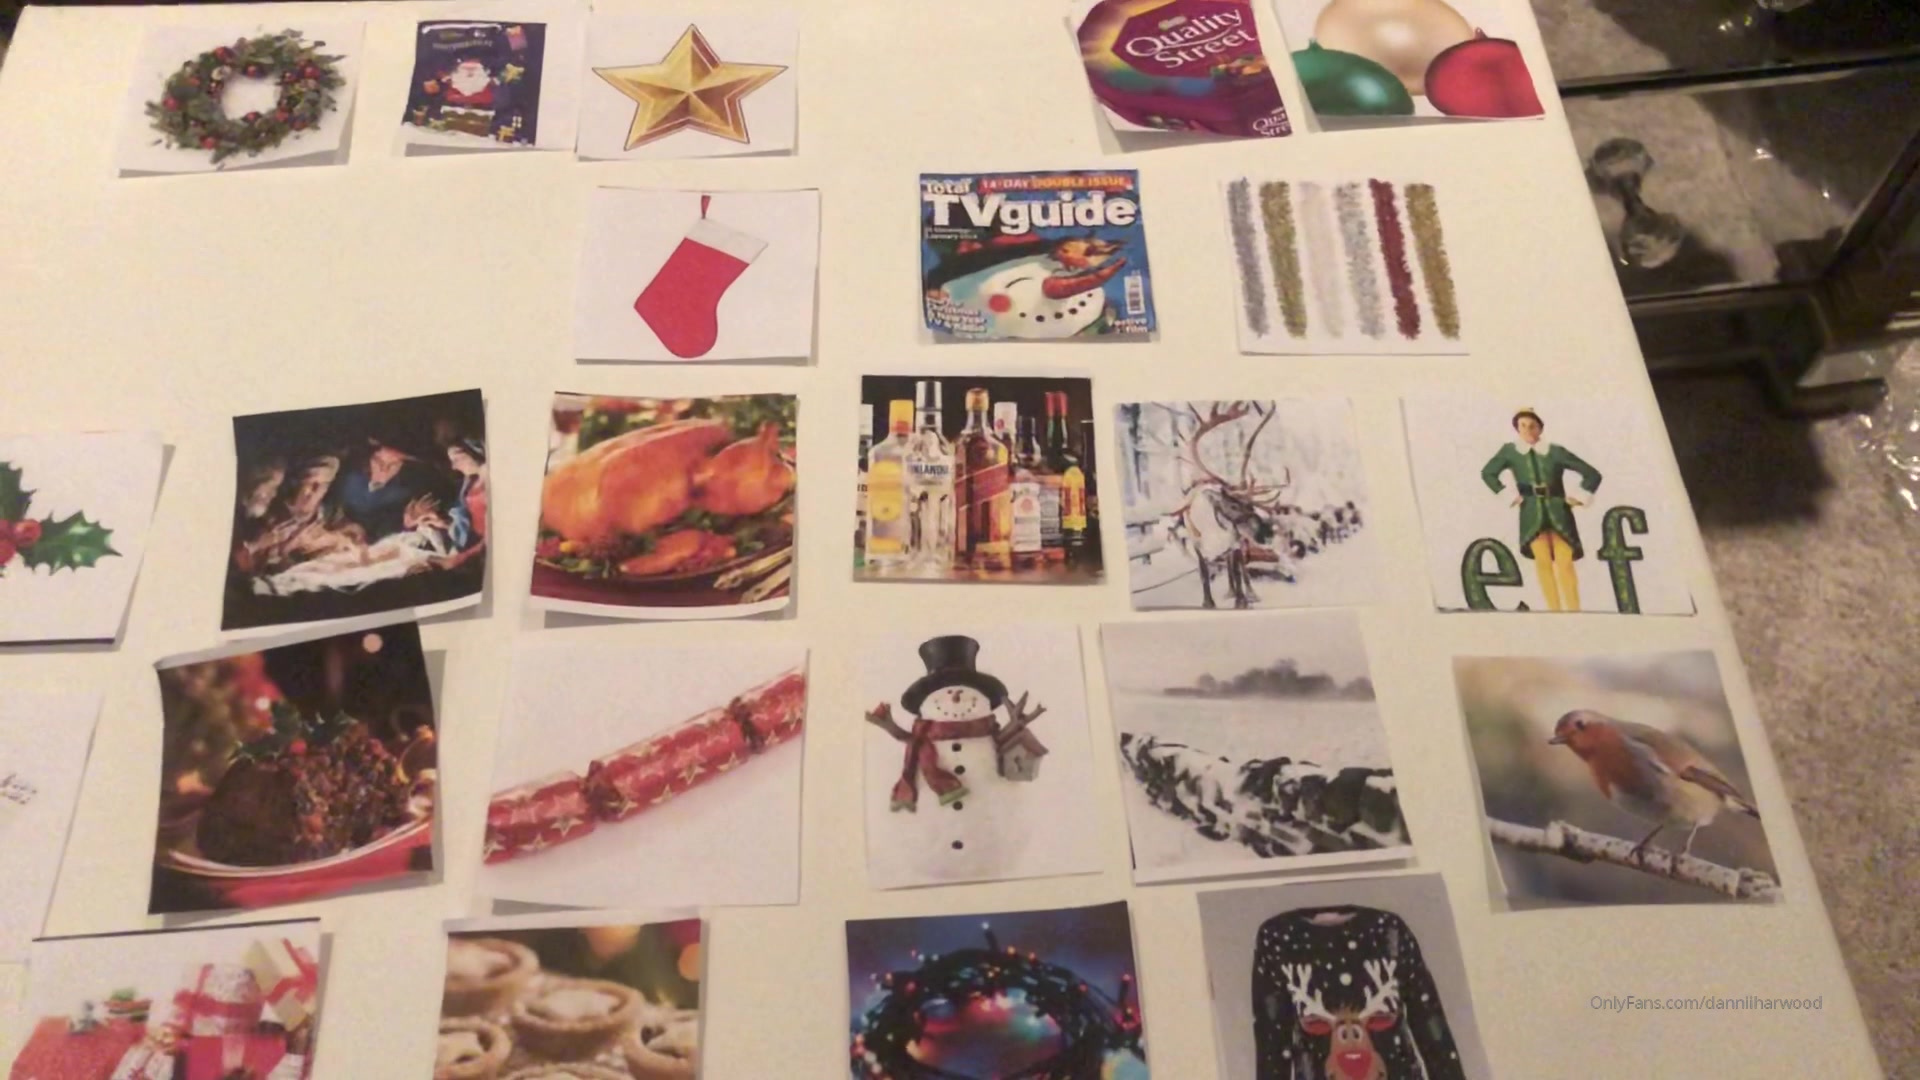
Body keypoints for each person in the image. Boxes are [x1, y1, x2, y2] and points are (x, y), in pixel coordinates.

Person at [1479, 408, 1602, 612]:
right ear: (1517, 429)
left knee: (1564, 561)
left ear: (1540, 428)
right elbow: (1488, 473)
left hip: (1559, 511)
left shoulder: (1555, 452)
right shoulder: (1510, 451)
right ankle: (1554, 610)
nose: (1528, 430)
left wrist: (1578, 497)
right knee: (1542, 561)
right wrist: (1508, 496)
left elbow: (1592, 474)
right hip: (1531, 512)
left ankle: (1574, 611)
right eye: (1523, 426)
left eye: (1532, 426)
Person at [232, 456, 367, 577]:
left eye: (323, 485)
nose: (315, 491)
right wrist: (287, 552)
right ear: (297, 483)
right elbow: (248, 570)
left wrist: (332, 538)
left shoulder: (329, 512)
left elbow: (357, 535)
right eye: (311, 483)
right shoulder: (270, 516)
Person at [337, 440, 443, 541]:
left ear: (401, 467)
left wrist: (406, 524)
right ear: (369, 459)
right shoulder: (349, 479)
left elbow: (388, 531)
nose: (384, 469)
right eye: (378, 461)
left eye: (394, 464)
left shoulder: (402, 495)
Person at [437, 439, 489, 572]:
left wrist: (460, 558)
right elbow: (468, 520)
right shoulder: (470, 480)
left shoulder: (493, 482)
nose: (454, 467)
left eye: (457, 459)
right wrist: (444, 524)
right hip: (471, 541)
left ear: (475, 452)